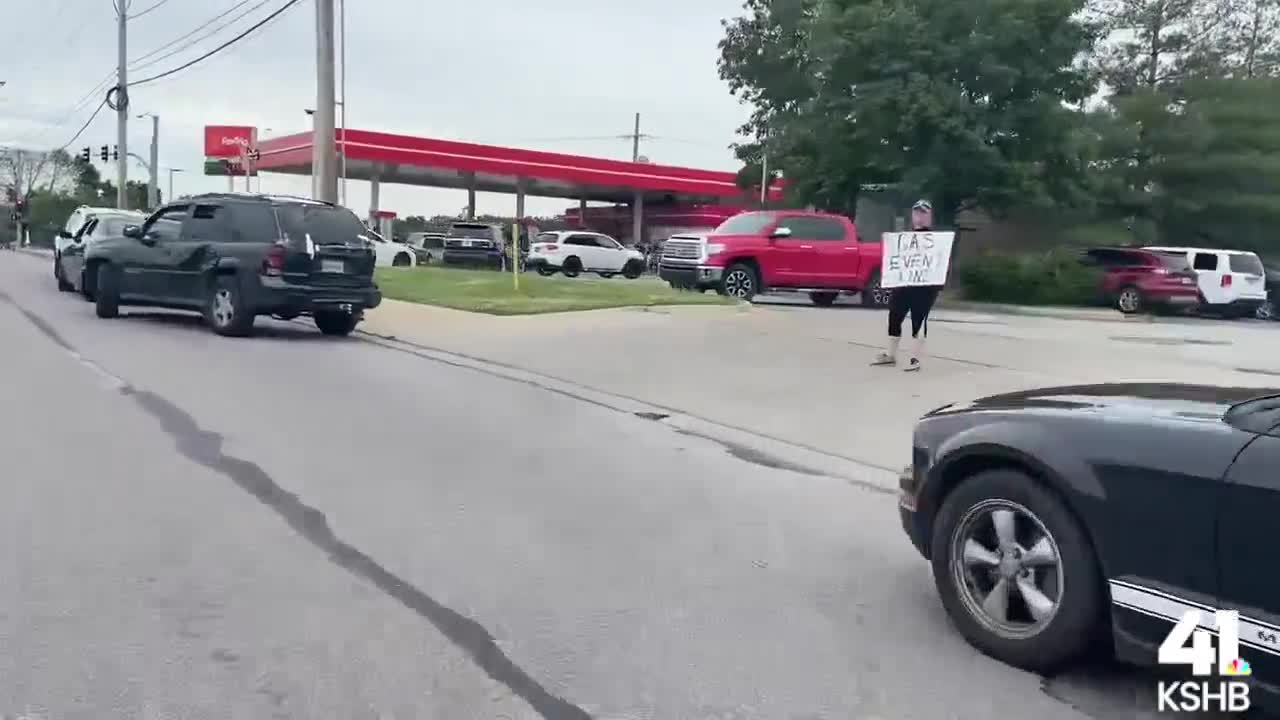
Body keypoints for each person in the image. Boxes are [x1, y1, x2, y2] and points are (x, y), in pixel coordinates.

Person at [871, 199, 944, 372]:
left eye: (923, 213)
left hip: (925, 287)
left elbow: (939, 263)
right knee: (895, 316)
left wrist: (937, 284)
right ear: (912, 215)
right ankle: (890, 354)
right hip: (904, 284)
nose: (919, 216)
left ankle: (915, 359)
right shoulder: (905, 238)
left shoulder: (935, 240)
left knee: (919, 321)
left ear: (930, 216)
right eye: (917, 212)